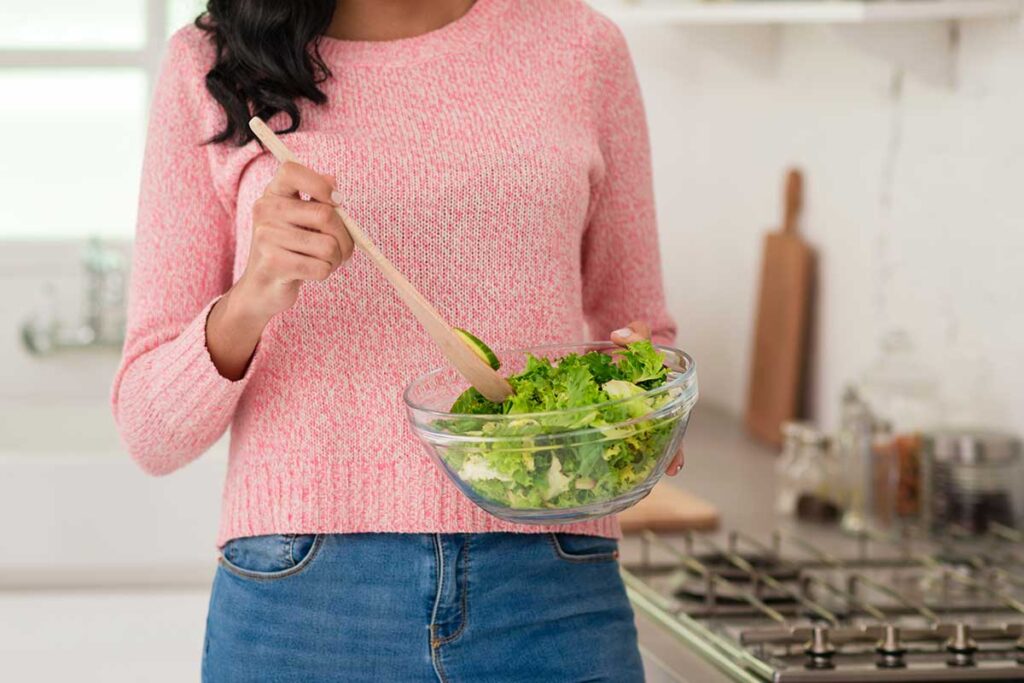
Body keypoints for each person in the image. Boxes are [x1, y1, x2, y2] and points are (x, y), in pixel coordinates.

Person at [112, 1, 683, 680]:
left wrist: (639, 408)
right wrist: (253, 294)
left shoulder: (582, 46)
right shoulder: (214, 64)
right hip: (304, 600)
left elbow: (641, 338)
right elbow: (150, 428)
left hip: (550, 583)